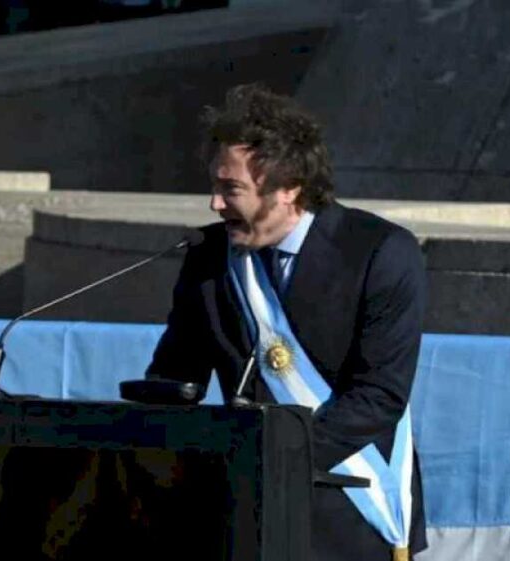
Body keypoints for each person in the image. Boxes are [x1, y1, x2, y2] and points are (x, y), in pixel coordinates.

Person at [143, 83, 428, 560]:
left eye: (230, 189)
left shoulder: (380, 253)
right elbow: (176, 375)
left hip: (348, 510)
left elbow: (379, 396)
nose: (214, 204)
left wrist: (269, 459)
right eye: (213, 186)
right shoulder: (208, 258)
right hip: (237, 512)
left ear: (289, 187)